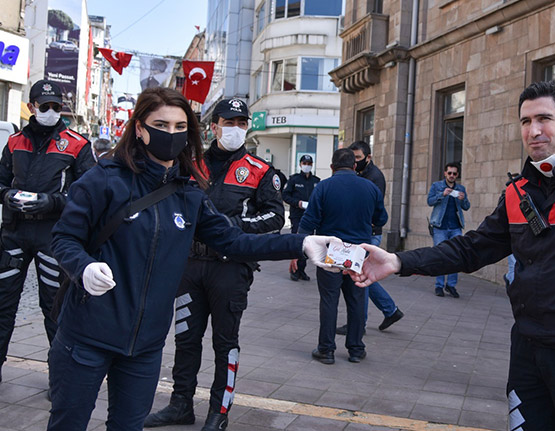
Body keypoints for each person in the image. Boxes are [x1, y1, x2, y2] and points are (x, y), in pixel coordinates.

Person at [349, 80, 555, 430]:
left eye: (544, 119)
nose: (533, 130)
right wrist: (399, 262)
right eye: (525, 121)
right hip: (527, 351)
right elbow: (472, 248)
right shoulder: (518, 192)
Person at [47, 87, 338, 431]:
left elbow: (236, 242)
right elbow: (64, 238)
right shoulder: (104, 179)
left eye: (179, 127)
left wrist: (302, 245)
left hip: (144, 347)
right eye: (161, 124)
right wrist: (83, 268)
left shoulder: (188, 194)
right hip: (87, 335)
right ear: (139, 128)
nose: (170, 134)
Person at [143, 97, 286, 430]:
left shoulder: (260, 171)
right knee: (186, 339)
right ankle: (180, 405)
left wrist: (234, 226)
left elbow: (275, 217)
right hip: (188, 267)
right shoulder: (189, 164)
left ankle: (218, 413)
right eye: (228, 122)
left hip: (231, 267)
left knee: (225, 343)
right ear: (214, 126)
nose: (234, 128)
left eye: (241, 123)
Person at [0, 80, 94, 383]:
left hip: (53, 237)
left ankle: (60, 379)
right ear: (32, 107)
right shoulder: (14, 141)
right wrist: (7, 196)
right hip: (13, 233)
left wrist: (52, 202)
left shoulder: (77, 143)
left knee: (55, 309)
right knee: (2, 306)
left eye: (56, 106)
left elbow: (91, 195)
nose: (51, 111)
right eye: (45, 106)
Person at [299, 148, 387, 364]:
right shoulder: (370, 188)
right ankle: (356, 349)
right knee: (356, 300)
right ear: (355, 166)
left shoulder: (324, 187)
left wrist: (297, 251)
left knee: (329, 300)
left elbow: (308, 222)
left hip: (331, 250)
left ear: (332, 167)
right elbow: (381, 218)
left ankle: (326, 349)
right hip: (358, 252)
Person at [336, 141, 403, 335]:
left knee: (359, 279)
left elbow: (374, 211)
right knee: (364, 275)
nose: (355, 162)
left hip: (368, 234)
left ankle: (359, 324)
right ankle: (390, 310)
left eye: (358, 157)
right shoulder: (358, 174)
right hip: (361, 233)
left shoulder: (374, 177)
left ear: (368, 157)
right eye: (353, 158)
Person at [427, 161, 470, 297]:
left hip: (456, 227)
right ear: (445, 173)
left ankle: (451, 285)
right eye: (449, 173)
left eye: (454, 173)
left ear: (457, 175)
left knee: (456, 256)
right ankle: (439, 285)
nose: (452, 175)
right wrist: (442, 194)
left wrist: (463, 199)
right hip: (440, 227)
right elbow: (429, 201)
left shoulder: (461, 188)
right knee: (441, 256)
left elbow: (466, 207)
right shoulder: (437, 186)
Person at [282, 154, 320, 281]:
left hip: (310, 216)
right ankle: (294, 270)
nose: (307, 166)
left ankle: (302, 270)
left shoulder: (316, 181)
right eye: (305, 163)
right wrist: (297, 203)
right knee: (297, 242)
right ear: (300, 164)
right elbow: (285, 196)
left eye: (309, 164)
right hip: (297, 215)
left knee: (308, 244)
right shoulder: (294, 179)